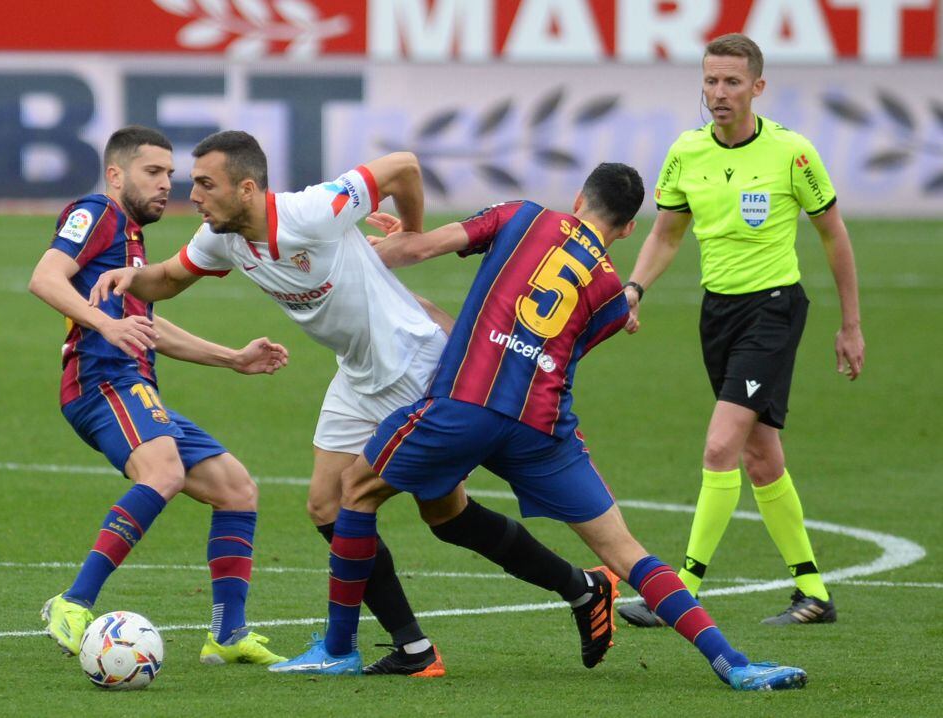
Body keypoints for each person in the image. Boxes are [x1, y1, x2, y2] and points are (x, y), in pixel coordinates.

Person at [267, 162, 808, 691]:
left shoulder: (522, 215)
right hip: (542, 428)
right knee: (625, 551)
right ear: (625, 229)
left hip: (467, 407)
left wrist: (391, 242)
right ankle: (734, 663)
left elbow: (418, 249)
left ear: (578, 199)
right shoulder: (614, 299)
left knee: (354, 491)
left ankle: (339, 650)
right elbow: (557, 352)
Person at [92, 131, 616, 676]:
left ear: (246, 189)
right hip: (357, 373)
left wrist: (413, 233)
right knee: (329, 506)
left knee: (440, 514)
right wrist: (133, 279)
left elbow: (404, 166)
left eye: (205, 184)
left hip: (413, 365)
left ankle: (578, 588)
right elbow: (170, 278)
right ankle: (415, 645)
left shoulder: (313, 211)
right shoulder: (220, 237)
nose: (193, 194)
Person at [616, 33, 865, 629]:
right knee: (760, 458)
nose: (718, 93)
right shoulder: (687, 152)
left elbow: (834, 233)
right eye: (710, 81)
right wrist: (634, 288)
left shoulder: (792, 152)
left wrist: (850, 324)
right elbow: (666, 233)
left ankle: (680, 590)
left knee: (720, 447)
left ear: (757, 87)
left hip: (774, 311)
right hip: (718, 314)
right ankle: (813, 592)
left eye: (731, 82)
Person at [29, 125, 290, 667]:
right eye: (153, 173)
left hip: (135, 389)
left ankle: (228, 633)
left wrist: (233, 358)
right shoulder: (97, 213)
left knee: (237, 488)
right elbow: (46, 278)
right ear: (116, 174)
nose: (165, 185)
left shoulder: (131, 236)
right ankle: (72, 603)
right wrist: (104, 323)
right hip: (103, 383)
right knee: (165, 473)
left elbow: (148, 327)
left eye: (169, 175)